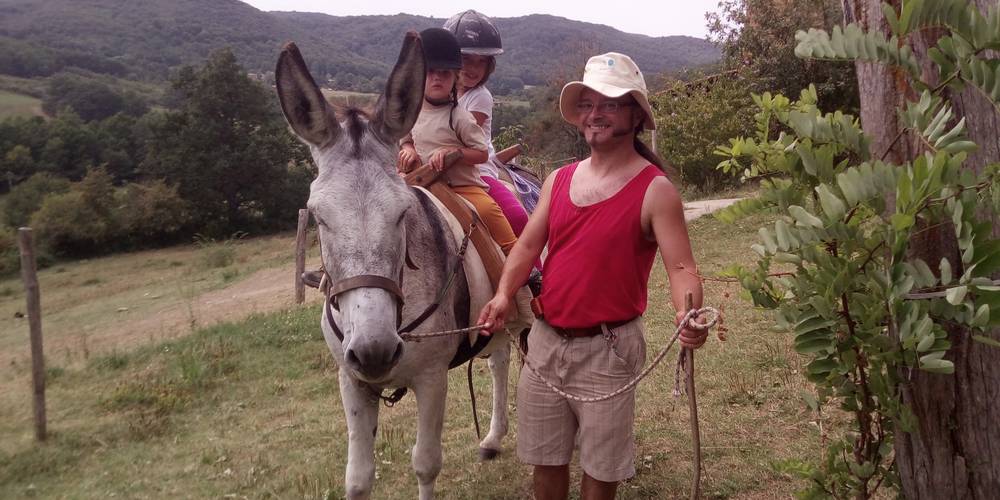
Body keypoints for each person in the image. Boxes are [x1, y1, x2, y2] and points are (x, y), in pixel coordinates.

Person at [476, 52, 708, 500]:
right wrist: (505, 294)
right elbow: (526, 246)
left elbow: (681, 267)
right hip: (543, 345)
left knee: (601, 474)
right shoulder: (559, 179)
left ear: (636, 115)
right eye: (587, 104)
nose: (595, 114)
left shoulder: (655, 189)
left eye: (610, 103)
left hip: (609, 351)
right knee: (545, 462)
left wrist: (688, 313)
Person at [398, 28, 518, 255]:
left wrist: (455, 152)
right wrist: (408, 149)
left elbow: (481, 153)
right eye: (430, 72)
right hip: (420, 180)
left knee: (489, 209)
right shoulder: (412, 111)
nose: (437, 77)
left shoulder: (459, 116)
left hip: (461, 186)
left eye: (445, 73)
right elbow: (406, 138)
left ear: (454, 77)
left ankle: (517, 261)